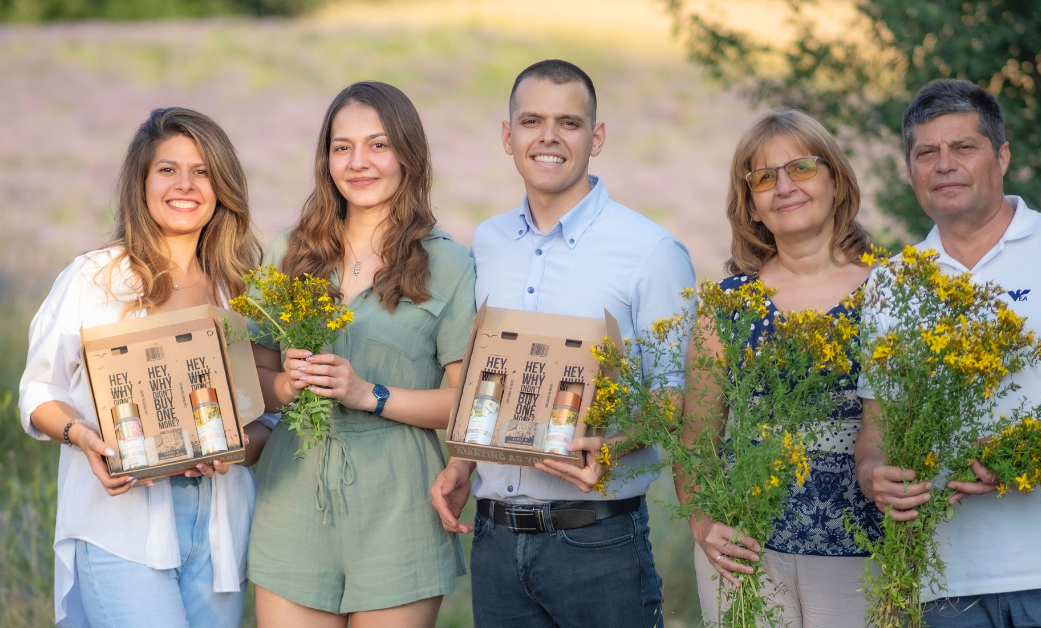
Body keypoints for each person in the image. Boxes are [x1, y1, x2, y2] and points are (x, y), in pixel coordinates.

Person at [855, 79, 1041, 627]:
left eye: (963, 147)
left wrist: (1031, 449)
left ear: (1001, 156)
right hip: (945, 586)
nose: (944, 164)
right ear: (910, 171)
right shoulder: (892, 283)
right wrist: (873, 472)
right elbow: (877, 424)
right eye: (926, 152)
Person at [428, 59, 695, 628]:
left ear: (596, 138)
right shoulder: (488, 243)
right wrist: (461, 462)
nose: (548, 136)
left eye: (568, 123)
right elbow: (488, 376)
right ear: (508, 136)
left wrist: (614, 445)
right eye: (531, 120)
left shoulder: (652, 252)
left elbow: (679, 400)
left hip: (598, 544)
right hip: (497, 541)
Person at [19, 107, 272, 628]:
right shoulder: (93, 277)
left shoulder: (240, 288)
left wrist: (236, 451)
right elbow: (38, 388)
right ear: (141, 181)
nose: (186, 185)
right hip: (121, 525)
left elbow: (261, 418)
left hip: (221, 529)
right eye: (168, 169)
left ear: (221, 185)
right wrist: (81, 436)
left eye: (202, 171)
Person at [247, 81, 476, 628]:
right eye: (342, 146)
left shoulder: (449, 264)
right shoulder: (288, 252)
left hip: (400, 503)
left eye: (377, 144)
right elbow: (249, 373)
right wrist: (284, 386)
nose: (358, 162)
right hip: (293, 494)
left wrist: (366, 394)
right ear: (325, 159)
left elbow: (467, 403)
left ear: (409, 154)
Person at [683, 108, 883, 627]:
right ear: (750, 207)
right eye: (764, 178)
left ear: (836, 181)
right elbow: (696, 439)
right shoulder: (724, 307)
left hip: (865, 554)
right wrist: (704, 525)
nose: (784, 187)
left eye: (801, 169)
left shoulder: (891, 293)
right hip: (745, 558)